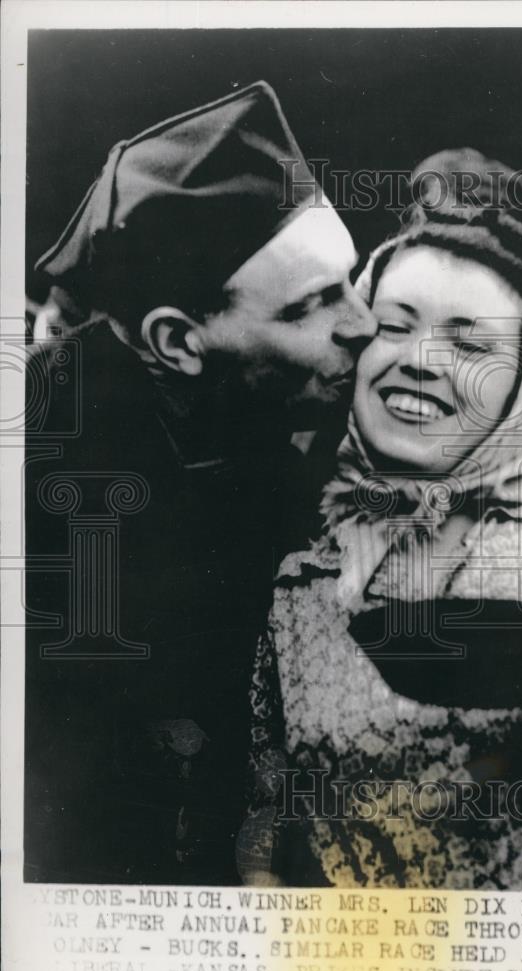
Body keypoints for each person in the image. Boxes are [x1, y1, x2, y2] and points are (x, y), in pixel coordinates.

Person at [237, 207, 522, 891]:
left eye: (470, 346)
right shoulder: (299, 587)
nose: (418, 363)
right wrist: (260, 878)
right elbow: (266, 801)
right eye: (393, 326)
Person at [24, 81, 375, 884]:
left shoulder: (236, 408)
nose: (362, 322)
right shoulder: (40, 459)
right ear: (178, 342)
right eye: (311, 307)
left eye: (352, 282)